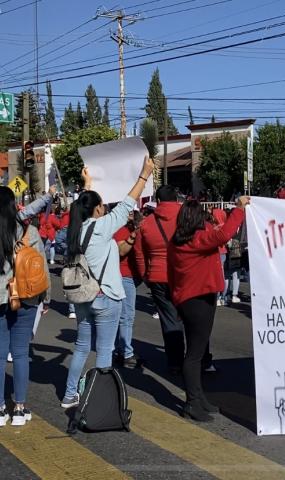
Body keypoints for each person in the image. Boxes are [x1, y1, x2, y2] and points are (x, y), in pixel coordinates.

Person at [61, 156, 154, 409]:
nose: (105, 207)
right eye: (101, 205)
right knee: (104, 350)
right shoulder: (102, 228)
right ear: (99, 209)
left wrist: (87, 184)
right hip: (105, 296)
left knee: (81, 347)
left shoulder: (76, 229)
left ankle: (70, 395)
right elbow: (127, 204)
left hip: (83, 297)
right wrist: (144, 175)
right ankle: (99, 400)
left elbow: (85, 205)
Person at [168, 196, 249, 421]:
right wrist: (239, 210)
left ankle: (198, 397)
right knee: (195, 354)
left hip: (187, 299)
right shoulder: (197, 239)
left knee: (196, 351)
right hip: (199, 300)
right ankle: (192, 403)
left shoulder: (176, 240)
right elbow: (224, 235)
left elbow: (172, 274)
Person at [0, 187, 51, 427]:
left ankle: (0, 408)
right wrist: (47, 297)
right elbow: (42, 267)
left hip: (0, 299)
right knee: (20, 353)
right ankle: (19, 408)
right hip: (28, 297)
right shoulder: (30, 232)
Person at [134, 185, 184, 374]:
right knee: (192, 318)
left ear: (159, 201)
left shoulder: (146, 223)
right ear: (177, 198)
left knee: (169, 319)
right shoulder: (186, 216)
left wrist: (145, 274)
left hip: (157, 275)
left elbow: (139, 253)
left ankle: (175, 361)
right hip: (185, 274)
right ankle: (199, 359)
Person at [113, 210, 143, 368]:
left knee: (124, 316)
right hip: (124, 276)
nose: (132, 214)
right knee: (126, 316)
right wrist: (133, 236)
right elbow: (121, 250)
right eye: (129, 211)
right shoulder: (120, 230)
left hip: (130, 276)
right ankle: (126, 353)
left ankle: (122, 350)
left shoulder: (130, 228)